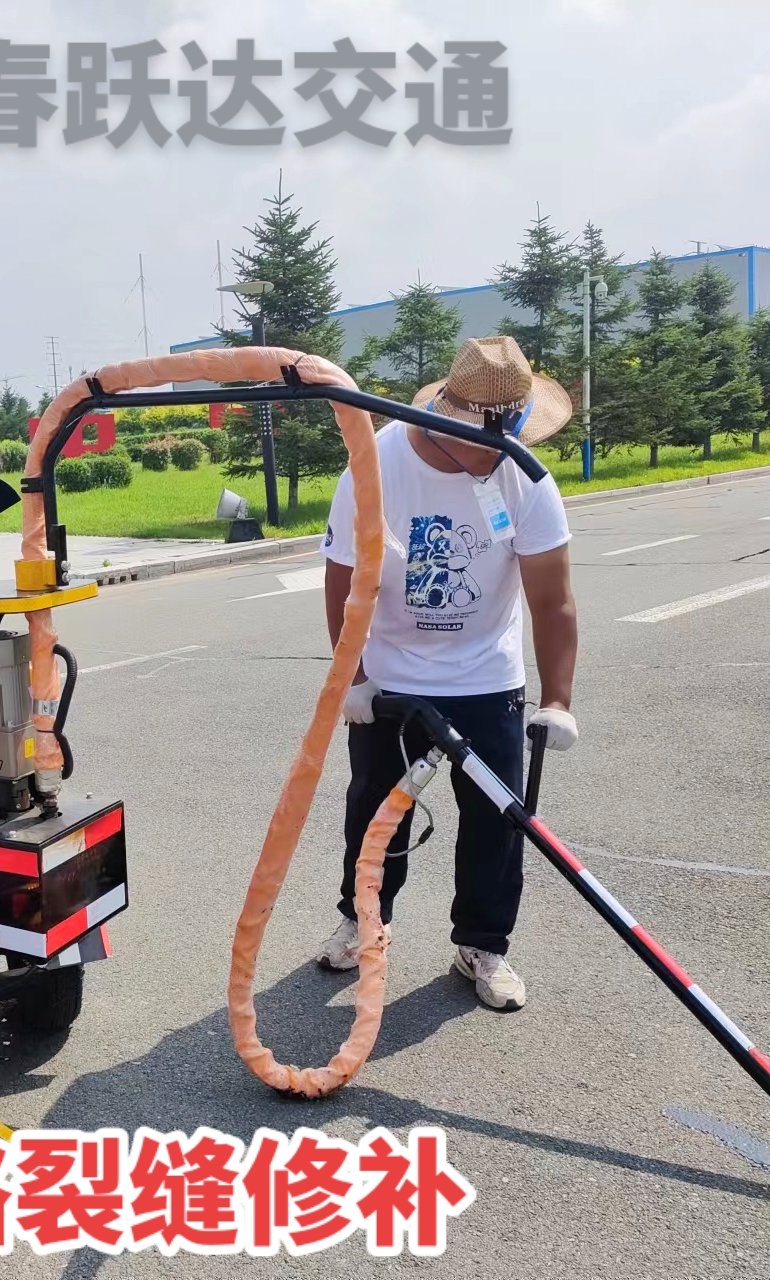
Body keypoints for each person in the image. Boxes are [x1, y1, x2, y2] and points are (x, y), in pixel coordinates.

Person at [318, 335, 579, 1011]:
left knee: (497, 821)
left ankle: (483, 945)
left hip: (487, 677)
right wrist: (353, 680)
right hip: (391, 678)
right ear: (448, 423)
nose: (503, 451)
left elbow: (552, 601)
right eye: (490, 442)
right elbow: (343, 582)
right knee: (374, 815)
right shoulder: (375, 466)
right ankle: (364, 922)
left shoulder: (523, 477)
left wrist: (557, 699)